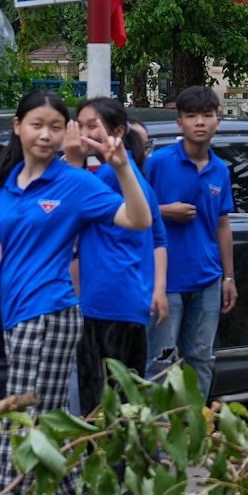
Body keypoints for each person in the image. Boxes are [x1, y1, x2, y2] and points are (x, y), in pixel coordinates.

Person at [0, 89, 151, 421]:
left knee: (25, 423)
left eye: (55, 127)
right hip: (15, 316)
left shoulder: (75, 183)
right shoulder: (7, 184)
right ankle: (65, 474)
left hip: (51, 313)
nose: (45, 134)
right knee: (45, 423)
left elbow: (139, 220)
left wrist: (122, 169)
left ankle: (19, 474)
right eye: (36, 124)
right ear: (17, 126)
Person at [69, 97, 168, 417]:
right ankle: (134, 461)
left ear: (118, 133)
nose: (82, 132)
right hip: (129, 299)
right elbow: (157, 236)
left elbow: (67, 203)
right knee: (127, 398)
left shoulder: (108, 178)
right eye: (79, 124)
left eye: (91, 126)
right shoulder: (132, 179)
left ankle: (113, 463)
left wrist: (72, 161)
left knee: (101, 402)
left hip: (106, 300)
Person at [145, 84, 234, 401]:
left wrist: (228, 277)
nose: (200, 122)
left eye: (207, 115)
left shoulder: (220, 169)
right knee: (160, 362)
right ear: (179, 122)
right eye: (191, 115)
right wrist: (165, 211)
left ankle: (194, 435)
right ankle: (156, 444)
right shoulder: (158, 163)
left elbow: (223, 225)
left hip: (208, 279)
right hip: (164, 281)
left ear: (217, 121)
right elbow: (130, 211)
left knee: (201, 359)